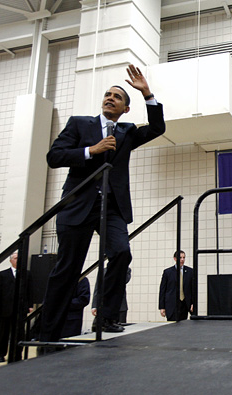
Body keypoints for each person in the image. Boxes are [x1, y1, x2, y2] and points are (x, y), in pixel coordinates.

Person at [39, 64, 166, 342]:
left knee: (121, 253)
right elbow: (54, 157)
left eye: (117, 97)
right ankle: (49, 332)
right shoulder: (79, 123)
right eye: (107, 94)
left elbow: (157, 128)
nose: (110, 98)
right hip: (77, 205)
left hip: (112, 208)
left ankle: (107, 317)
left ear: (125, 109)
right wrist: (90, 151)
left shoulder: (127, 132)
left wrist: (147, 94)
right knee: (68, 267)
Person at [0, 252, 33, 362]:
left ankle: (17, 354)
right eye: (15, 258)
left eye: (19, 258)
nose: (17, 260)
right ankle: (1, 354)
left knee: (20, 333)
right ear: (11, 260)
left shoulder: (26, 275)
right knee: (3, 333)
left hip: (20, 310)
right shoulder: (2, 274)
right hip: (5, 309)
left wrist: (30, 305)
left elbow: (29, 291)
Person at [159, 250, 193, 321]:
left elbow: (193, 289)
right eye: (180, 258)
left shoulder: (190, 271)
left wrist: (193, 303)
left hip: (184, 303)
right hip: (172, 304)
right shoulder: (168, 272)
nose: (182, 260)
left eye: (184, 257)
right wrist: (162, 307)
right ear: (175, 258)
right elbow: (163, 290)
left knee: (183, 325)